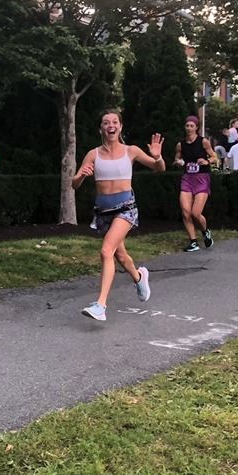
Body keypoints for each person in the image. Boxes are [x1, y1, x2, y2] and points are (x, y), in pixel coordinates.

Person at [71, 110, 165, 322]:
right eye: (106, 122)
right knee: (119, 256)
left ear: (120, 127)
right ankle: (139, 277)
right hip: (104, 214)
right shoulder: (93, 154)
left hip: (126, 209)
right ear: (101, 129)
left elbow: (159, 168)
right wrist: (79, 176)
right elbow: (74, 184)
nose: (110, 125)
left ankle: (101, 305)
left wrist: (157, 156)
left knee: (106, 251)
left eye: (114, 122)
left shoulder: (131, 151)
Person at [174, 115, 217, 252]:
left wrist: (207, 161)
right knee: (186, 212)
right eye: (187, 126)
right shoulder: (181, 144)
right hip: (187, 178)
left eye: (192, 126)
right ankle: (193, 242)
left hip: (202, 178)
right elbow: (177, 157)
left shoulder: (203, 142)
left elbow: (215, 156)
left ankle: (205, 231)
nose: (189, 128)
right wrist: (178, 161)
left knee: (195, 213)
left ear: (197, 128)